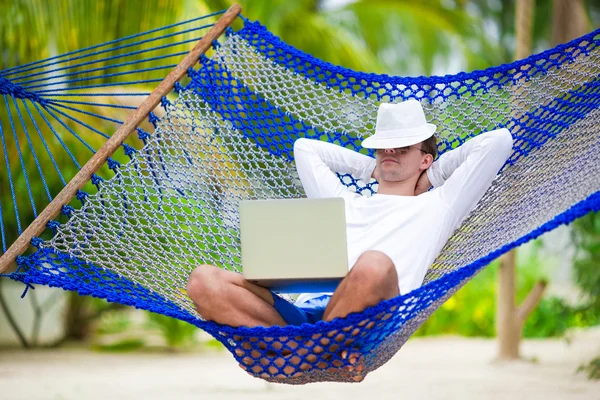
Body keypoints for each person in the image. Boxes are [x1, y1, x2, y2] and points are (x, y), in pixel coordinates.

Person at [186, 99, 513, 328]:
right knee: (204, 280)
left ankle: (310, 350)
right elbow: (305, 148)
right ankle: (309, 348)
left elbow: (498, 142)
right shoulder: (344, 200)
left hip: (371, 318)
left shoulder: (441, 204)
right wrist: (372, 169)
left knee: (373, 264)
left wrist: (433, 175)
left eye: (402, 147)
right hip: (308, 317)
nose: (390, 152)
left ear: (425, 158)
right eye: (383, 146)